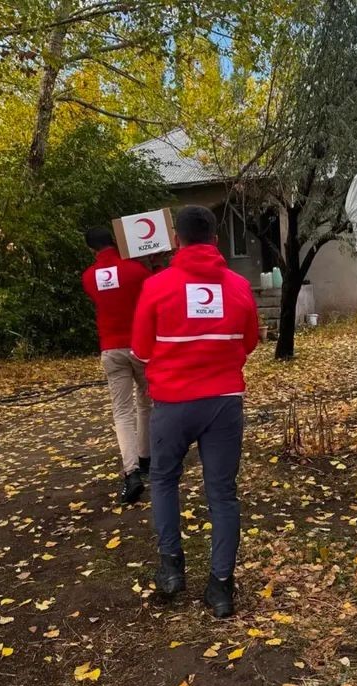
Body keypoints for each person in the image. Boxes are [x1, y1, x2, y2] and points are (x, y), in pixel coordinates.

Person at [132, 205, 259, 618]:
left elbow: (141, 349)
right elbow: (251, 341)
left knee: (164, 480)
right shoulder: (239, 286)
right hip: (224, 403)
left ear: (176, 239)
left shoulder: (156, 286)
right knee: (222, 493)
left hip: (172, 404)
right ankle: (221, 588)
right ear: (216, 240)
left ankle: (171, 569)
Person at [81, 225, 152, 505]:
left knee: (122, 411)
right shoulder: (135, 271)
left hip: (111, 349)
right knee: (146, 403)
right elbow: (150, 289)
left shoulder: (88, 278)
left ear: (91, 249)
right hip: (141, 346)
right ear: (115, 242)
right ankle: (146, 459)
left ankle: (131, 471)